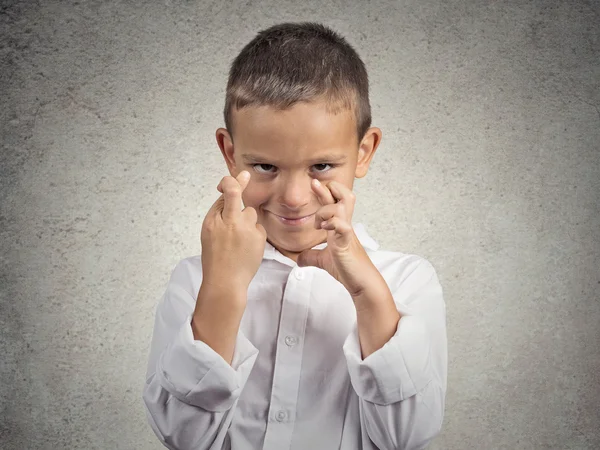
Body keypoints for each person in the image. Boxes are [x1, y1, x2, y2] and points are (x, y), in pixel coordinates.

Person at [142, 22, 447, 450]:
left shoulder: (406, 281)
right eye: (266, 166)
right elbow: (182, 437)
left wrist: (368, 294)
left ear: (364, 153)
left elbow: (407, 436)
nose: (295, 197)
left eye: (321, 166)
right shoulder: (195, 283)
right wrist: (225, 290)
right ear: (230, 153)